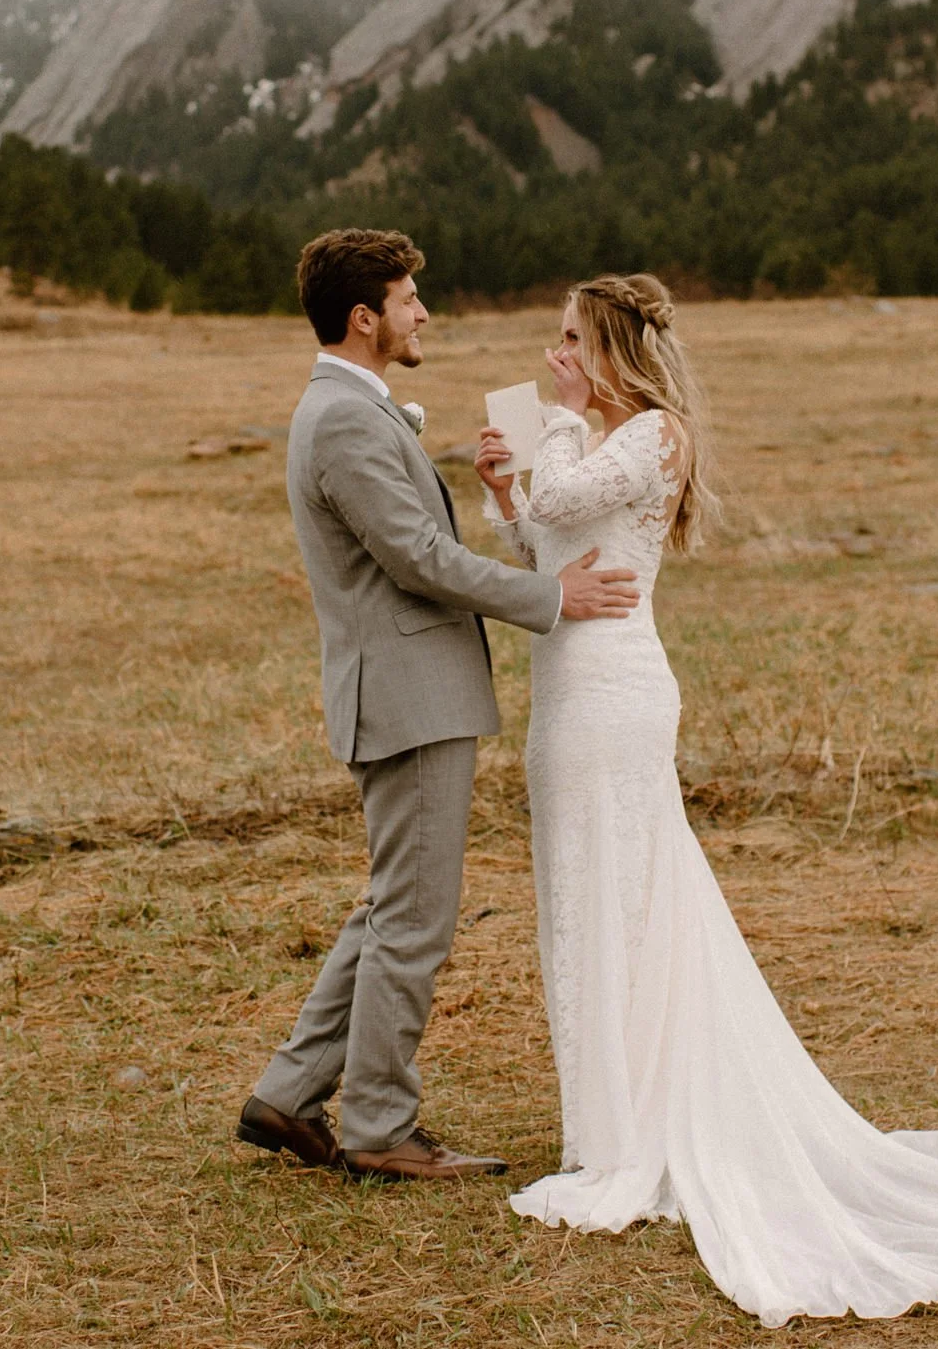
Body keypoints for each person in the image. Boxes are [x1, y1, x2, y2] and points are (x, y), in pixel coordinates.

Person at [472, 273, 938, 1327]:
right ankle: (605, 1122)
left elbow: (566, 499)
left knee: (629, 893)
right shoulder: (594, 441)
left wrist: (553, 428)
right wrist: (501, 490)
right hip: (562, 693)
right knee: (580, 894)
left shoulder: (651, 434)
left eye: (571, 338)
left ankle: (633, 1128)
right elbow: (546, 548)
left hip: (615, 692)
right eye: (555, 338)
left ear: (611, 347)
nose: (554, 354)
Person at [236, 229, 642, 1183]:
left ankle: (289, 1093)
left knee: (392, 908)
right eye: (408, 299)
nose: (424, 312)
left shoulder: (350, 408)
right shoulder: (343, 419)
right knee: (415, 921)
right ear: (363, 317)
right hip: (407, 697)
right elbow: (417, 557)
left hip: (406, 691)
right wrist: (550, 596)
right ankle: (380, 1124)